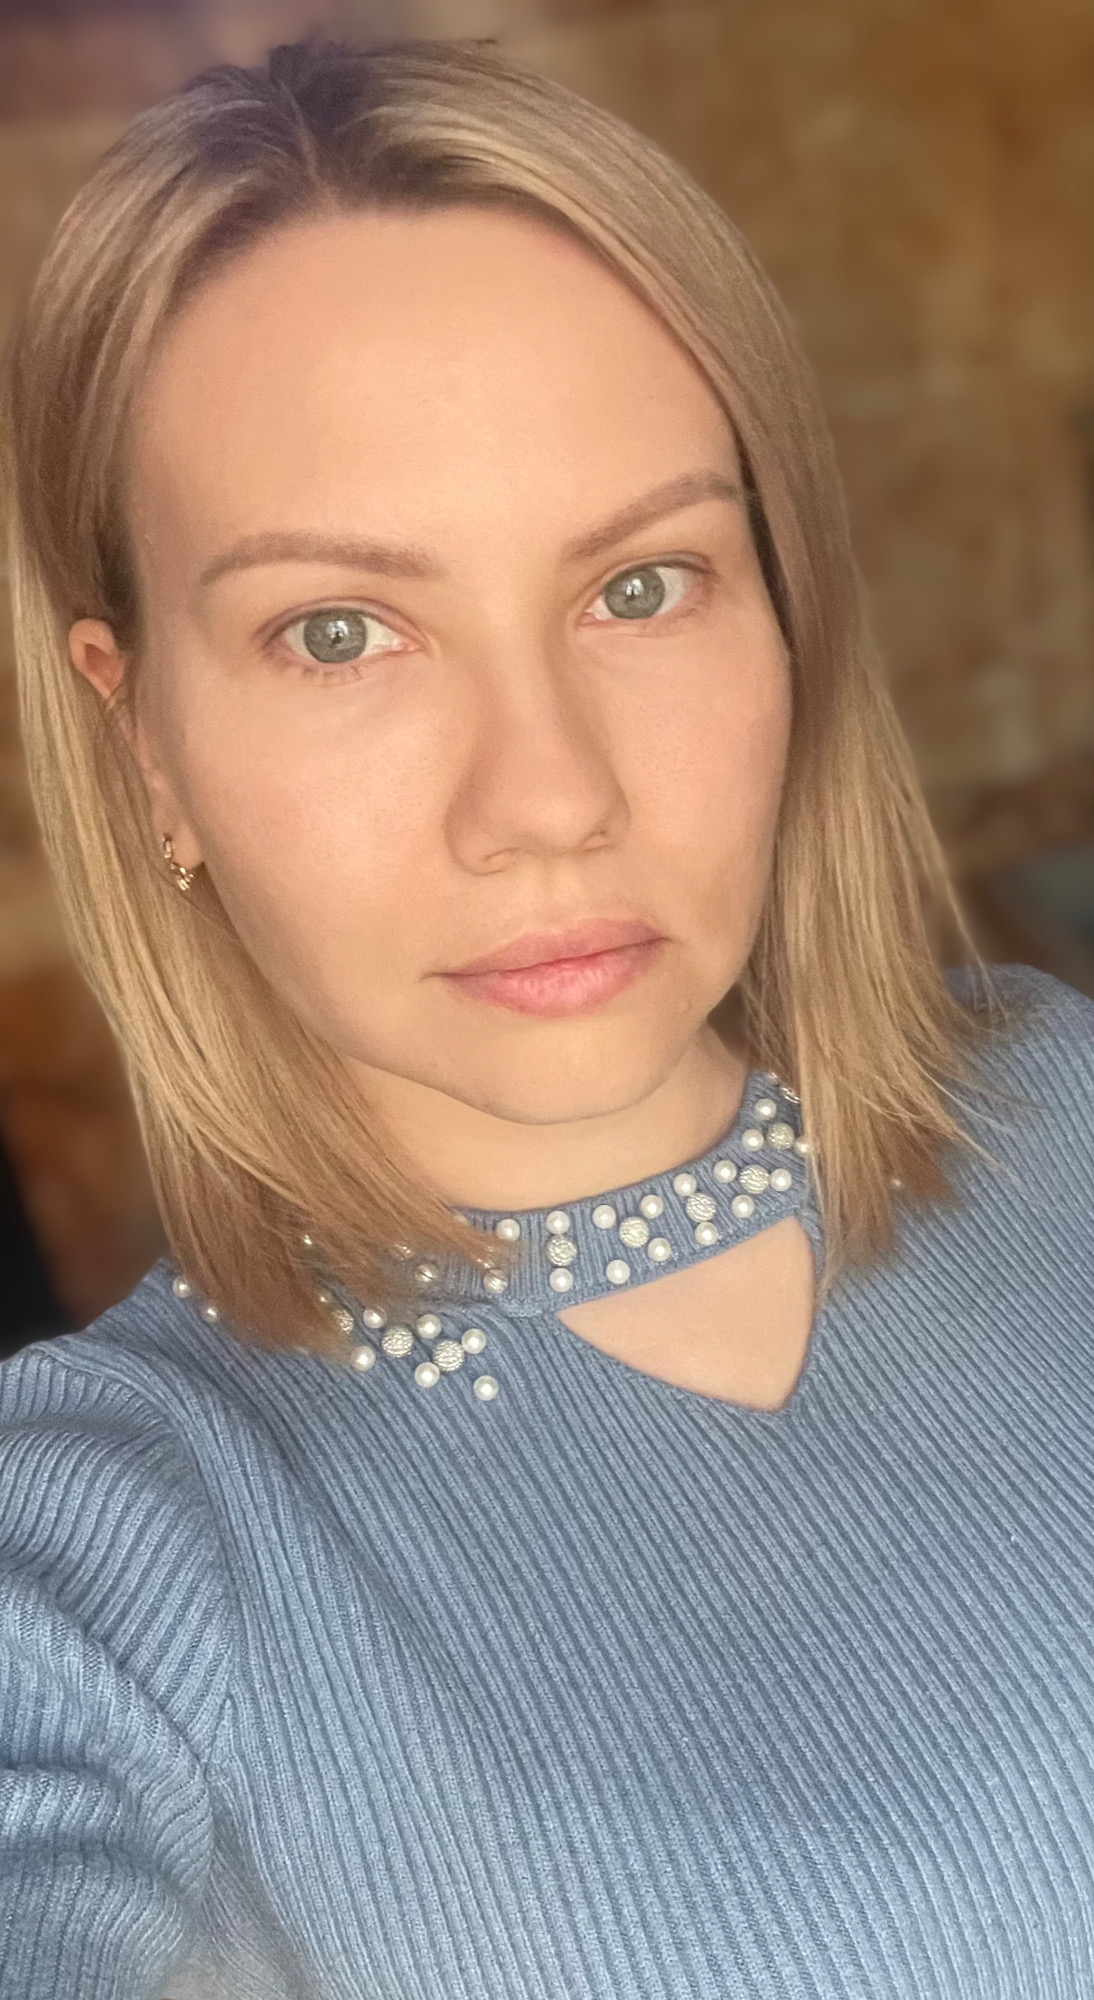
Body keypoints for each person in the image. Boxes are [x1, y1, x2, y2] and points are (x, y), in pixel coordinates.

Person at [2, 32, 1093, 2000]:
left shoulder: (1058, 1091)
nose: (548, 797)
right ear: (141, 735)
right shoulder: (98, 1544)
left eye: (642, 585)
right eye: (339, 631)